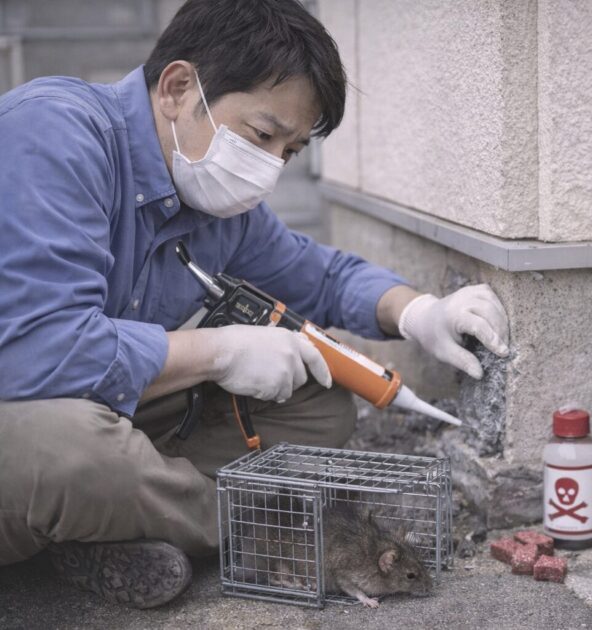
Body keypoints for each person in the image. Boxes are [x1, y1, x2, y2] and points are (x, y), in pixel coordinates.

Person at [0, 0, 509, 609]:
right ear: (178, 88)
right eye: (263, 135)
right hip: (26, 409)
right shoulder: (54, 135)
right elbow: (33, 349)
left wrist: (419, 311)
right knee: (74, 456)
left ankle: (103, 524)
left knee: (319, 405)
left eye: (289, 152)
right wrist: (216, 352)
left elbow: (318, 275)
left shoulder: (214, 204)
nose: (270, 167)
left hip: (105, 406)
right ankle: (267, 537)